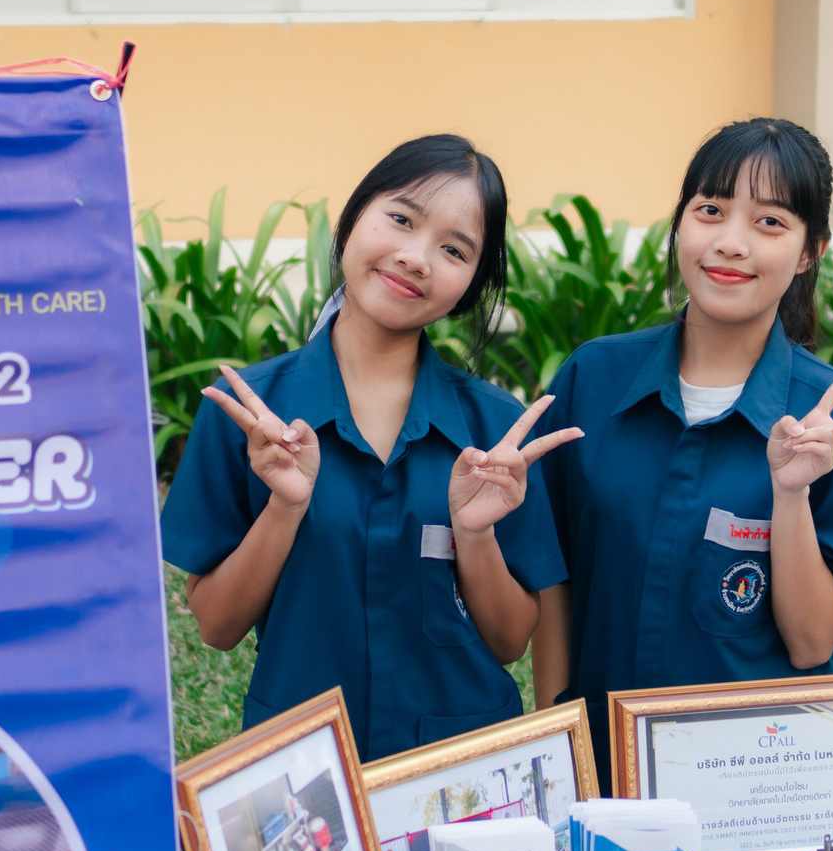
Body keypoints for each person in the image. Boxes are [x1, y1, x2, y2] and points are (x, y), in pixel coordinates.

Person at [161, 134, 580, 760]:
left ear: (470, 283)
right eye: (402, 219)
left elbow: (510, 640)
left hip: (455, 774)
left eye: (454, 249)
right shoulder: (250, 415)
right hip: (303, 769)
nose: (416, 258)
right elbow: (218, 628)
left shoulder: (494, 431)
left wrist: (475, 534)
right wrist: (284, 507)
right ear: (353, 217)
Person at [532, 118, 833, 788]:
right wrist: (558, 746)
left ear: (808, 251)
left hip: (760, 781)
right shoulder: (593, 380)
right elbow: (554, 582)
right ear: (680, 224)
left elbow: (811, 642)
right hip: (602, 762)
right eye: (710, 211)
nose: (730, 243)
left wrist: (791, 492)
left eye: (770, 223)